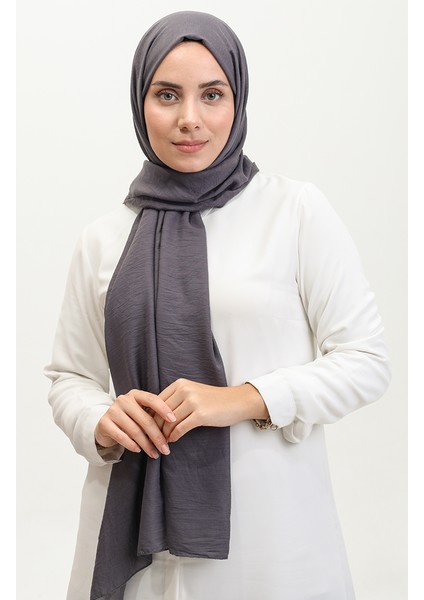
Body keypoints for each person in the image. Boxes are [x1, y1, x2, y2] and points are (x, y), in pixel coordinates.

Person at [45, 10, 391, 600]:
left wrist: (243, 398)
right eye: (166, 95)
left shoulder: (294, 211)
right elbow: (69, 377)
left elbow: (366, 361)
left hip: (267, 537)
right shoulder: (104, 237)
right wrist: (99, 420)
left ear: (238, 99)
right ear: (140, 103)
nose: (190, 118)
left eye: (212, 94)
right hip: (132, 540)